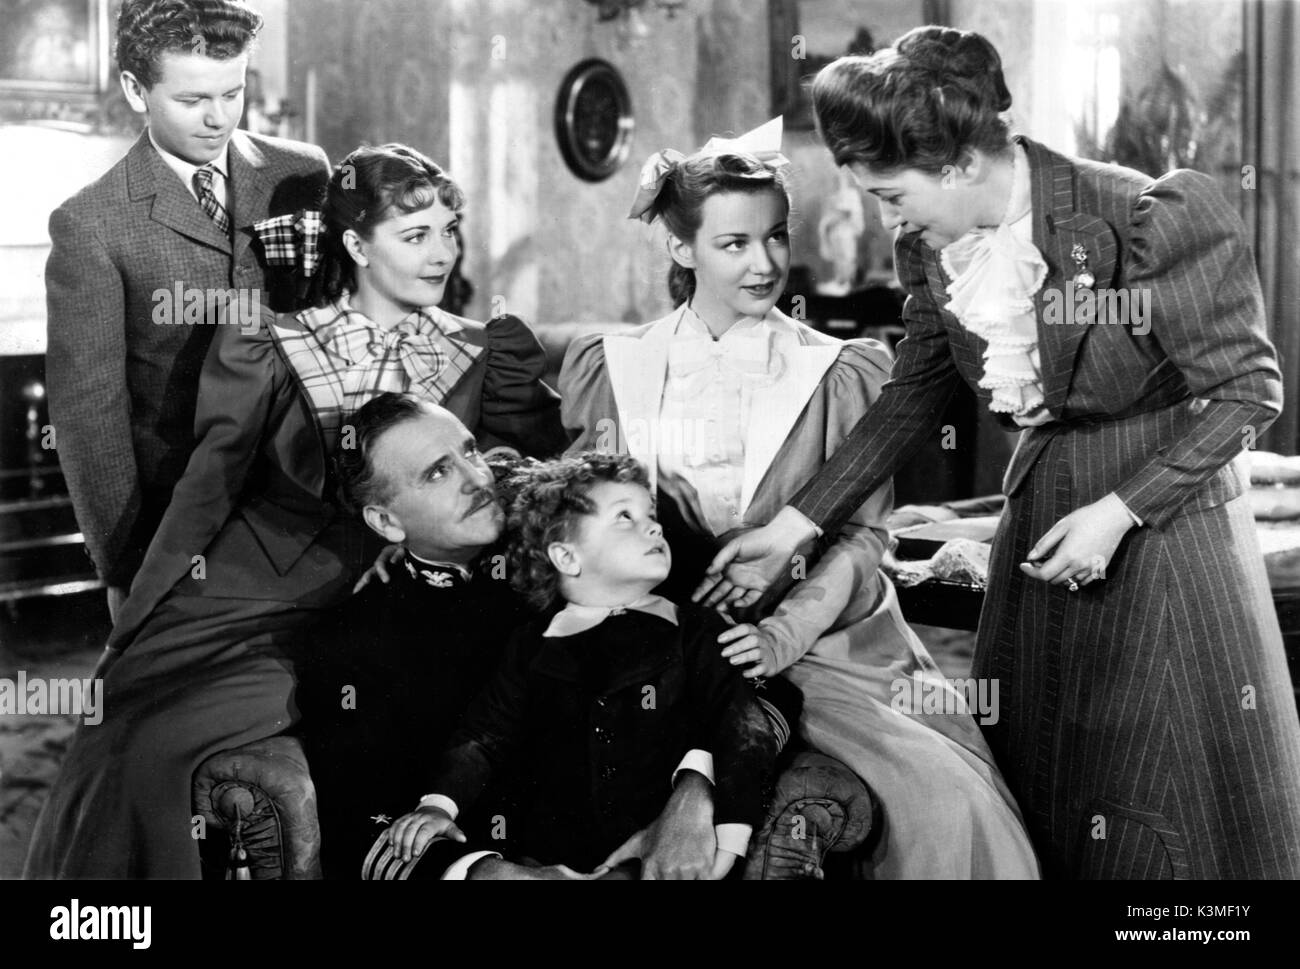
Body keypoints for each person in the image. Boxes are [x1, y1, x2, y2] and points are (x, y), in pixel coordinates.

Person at [701, 27, 1300, 879]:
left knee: (1158, 788)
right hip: (1043, 522)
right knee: (1040, 769)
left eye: (891, 192)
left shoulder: (1147, 216)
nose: (886, 217)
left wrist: (1120, 509)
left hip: (1162, 534)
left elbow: (1249, 392)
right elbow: (913, 394)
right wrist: (797, 523)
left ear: (956, 166)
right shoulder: (931, 248)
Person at [25, 145, 566, 880]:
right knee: (122, 729)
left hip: (373, 601)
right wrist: (138, 607)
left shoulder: (487, 352)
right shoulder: (271, 342)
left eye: (449, 230)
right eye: (416, 236)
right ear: (355, 245)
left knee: (161, 743)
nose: (441, 253)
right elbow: (204, 493)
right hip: (246, 587)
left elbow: (542, 475)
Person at [561, 120, 1039, 879]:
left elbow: (862, 537)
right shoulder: (612, 365)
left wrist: (783, 632)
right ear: (681, 249)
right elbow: (588, 527)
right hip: (664, 643)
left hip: (828, 640)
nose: (766, 263)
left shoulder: (843, 369)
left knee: (947, 801)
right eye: (735, 244)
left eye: (776, 237)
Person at [297, 396, 758, 880]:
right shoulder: (348, 642)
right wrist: (486, 875)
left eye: (471, 452)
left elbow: (749, 679)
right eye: (437, 473)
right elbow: (358, 820)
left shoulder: (584, 532)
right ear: (386, 522)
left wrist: (696, 794)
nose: (477, 479)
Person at [46, 0, 330, 615]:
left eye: (233, 93)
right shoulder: (91, 224)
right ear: (135, 89)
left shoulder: (303, 174)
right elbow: (89, 415)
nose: (218, 118)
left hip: (313, 507)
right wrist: (125, 567)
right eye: (192, 99)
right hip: (179, 527)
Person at [385, 452, 780, 877]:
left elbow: (742, 726)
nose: (653, 526)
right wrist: (438, 806)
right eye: (624, 517)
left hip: (654, 859)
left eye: (650, 515)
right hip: (547, 860)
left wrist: (726, 846)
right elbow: (483, 736)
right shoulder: (530, 645)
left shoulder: (697, 630)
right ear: (567, 557)